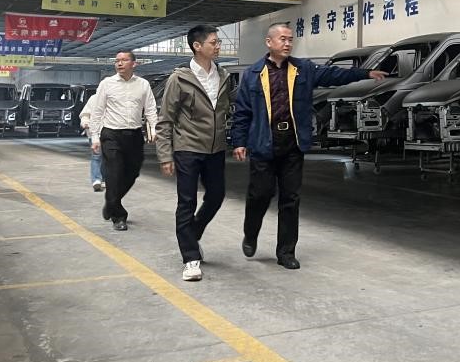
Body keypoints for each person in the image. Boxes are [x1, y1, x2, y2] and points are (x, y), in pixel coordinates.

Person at [231, 22, 385, 269]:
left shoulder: (303, 69)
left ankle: (286, 252)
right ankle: (250, 233)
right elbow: (243, 112)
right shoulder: (252, 74)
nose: (287, 43)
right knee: (260, 194)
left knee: (291, 199)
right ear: (269, 42)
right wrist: (239, 141)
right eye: (282, 39)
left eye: (290, 39)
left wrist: (365, 74)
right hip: (263, 144)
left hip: (292, 144)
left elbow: (334, 75)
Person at [156, 25, 233, 282]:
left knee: (216, 196)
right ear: (197, 46)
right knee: (186, 202)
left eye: (218, 42)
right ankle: (190, 258)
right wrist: (165, 155)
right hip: (187, 149)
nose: (218, 46)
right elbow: (165, 120)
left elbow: (225, 110)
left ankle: (193, 232)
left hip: (216, 149)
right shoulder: (179, 79)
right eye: (214, 42)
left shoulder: (223, 76)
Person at [89, 50, 157, 231]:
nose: (119, 63)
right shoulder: (107, 84)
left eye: (124, 60)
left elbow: (150, 109)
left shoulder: (143, 85)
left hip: (134, 135)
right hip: (111, 135)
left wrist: (153, 128)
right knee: (114, 174)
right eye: (117, 60)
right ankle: (118, 216)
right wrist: (95, 136)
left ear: (134, 64)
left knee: (132, 173)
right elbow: (97, 111)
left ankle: (111, 203)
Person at [78, 93, 105, 192]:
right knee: (96, 156)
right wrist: (85, 122)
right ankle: (96, 180)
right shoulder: (94, 99)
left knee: (108, 157)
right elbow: (85, 114)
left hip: (110, 133)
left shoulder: (115, 99)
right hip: (94, 133)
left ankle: (104, 179)